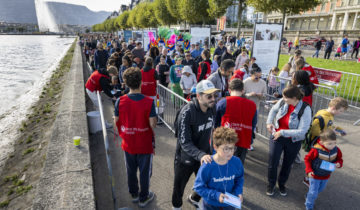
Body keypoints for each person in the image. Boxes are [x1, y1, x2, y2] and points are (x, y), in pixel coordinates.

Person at [172, 80, 219, 210]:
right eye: (209, 96)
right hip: (185, 159)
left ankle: (193, 198)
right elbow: (184, 141)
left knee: (206, 182)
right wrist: (200, 154)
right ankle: (176, 207)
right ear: (198, 96)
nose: (213, 99)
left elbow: (213, 128)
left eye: (215, 95)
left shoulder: (212, 108)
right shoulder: (187, 112)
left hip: (204, 155)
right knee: (179, 186)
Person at [114, 68, 157, 208]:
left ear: (125, 83)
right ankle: (143, 198)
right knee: (145, 172)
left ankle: (134, 194)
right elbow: (152, 124)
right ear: (141, 82)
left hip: (128, 142)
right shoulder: (149, 102)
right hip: (144, 144)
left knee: (130, 170)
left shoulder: (119, 101)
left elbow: (116, 120)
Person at [266, 85, 312, 196]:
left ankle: (282, 184)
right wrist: (268, 122)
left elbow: (302, 131)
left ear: (295, 98)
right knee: (273, 162)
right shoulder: (283, 101)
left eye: (286, 97)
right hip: (277, 137)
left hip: (293, 140)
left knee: (287, 164)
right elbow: (273, 110)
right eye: (283, 96)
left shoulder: (306, 109)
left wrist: (282, 132)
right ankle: (271, 184)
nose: (283, 99)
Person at [193, 127, 244, 210]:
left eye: (233, 148)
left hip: (229, 204)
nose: (230, 152)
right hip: (210, 205)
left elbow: (239, 178)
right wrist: (216, 195)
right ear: (215, 147)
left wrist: (238, 192)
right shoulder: (207, 165)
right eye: (226, 149)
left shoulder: (237, 162)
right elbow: (198, 187)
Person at [302, 97, 348, 187]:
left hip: (324, 142)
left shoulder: (330, 115)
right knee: (314, 161)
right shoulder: (322, 116)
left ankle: (313, 176)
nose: (341, 113)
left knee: (320, 161)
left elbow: (329, 125)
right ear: (333, 108)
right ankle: (308, 178)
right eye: (341, 111)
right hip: (318, 144)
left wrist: (336, 130)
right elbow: (314, 131)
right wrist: (329, 133)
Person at [215, 79, 257, 163]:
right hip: (244, 139)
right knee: (238, 164)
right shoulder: (252, 105)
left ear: (229, 90)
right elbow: (253, 123)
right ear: (243, 91)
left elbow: (216, 123)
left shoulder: (223, 102)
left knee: (224, 164)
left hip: (226, 139)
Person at [304, 129, 343, 210]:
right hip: (314, 175)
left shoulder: (336, 149)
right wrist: (309, 170)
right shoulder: (316, 150)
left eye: (335, 143)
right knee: (314, 192)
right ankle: (309, 206)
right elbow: (307, 159)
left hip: (326, 175)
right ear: (321, 142)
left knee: (320, 189)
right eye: (330, 144)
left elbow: (339, 159)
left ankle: (308, 196)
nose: (333, 146)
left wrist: (339, 163)